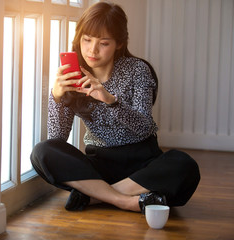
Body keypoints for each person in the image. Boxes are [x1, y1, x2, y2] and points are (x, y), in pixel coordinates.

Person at [30, 2, 200, 213]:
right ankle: (125, 201)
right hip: (99, 164)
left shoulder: (138, 70)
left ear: (119, 43)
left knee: (185, 165)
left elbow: (144, 127)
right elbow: (57, 139)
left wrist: (111, 101)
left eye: (103, 43)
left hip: (142, 162)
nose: (92, 50)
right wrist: (57, 97)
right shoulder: (73, 76)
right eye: (87, 40)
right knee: (42, 151)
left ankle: (96, 196)